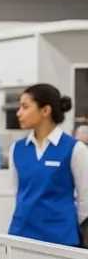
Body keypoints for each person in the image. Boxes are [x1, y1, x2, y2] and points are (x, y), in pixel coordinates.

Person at [8, 83, 88, 248]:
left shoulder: (75, 149)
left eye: (25, 107)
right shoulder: (17, 149)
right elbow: (16, 193)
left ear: (45, 110)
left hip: (61, 239)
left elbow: (85, 201)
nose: (19, 113)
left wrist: (64, 223)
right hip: (22, 236)